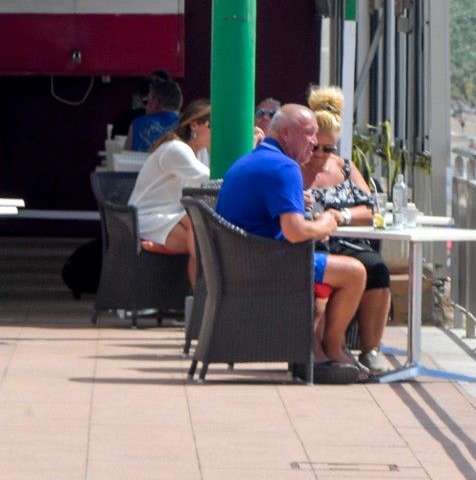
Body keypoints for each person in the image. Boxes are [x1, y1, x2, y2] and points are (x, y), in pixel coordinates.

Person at [216, 104, 369, 383]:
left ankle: (311, 350)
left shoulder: (251, 160)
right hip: (270, 266)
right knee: (354, 272)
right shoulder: (285, 167)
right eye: (309, 134)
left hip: (239, 263)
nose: (315, 141)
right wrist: (325, 224)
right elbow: (295, 231)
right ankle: (333, 349)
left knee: (325, 272)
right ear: (286, 134)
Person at [302, 85, 392, 377]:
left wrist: (340, 215)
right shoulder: (293, 167)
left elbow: (371, 209)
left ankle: (370, 350)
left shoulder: (344, 168)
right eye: (315, 146)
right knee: (330, 274)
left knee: (377, 267)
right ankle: (330, 344)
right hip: (313, 240)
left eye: (327, 148)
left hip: (347, 240)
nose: (319, 154)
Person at [127, 100, 211, 286]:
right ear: (194, 124)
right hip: (146, 217)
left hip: (171, 214)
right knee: (204, 245)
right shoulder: (177, 149)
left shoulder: (200, 152)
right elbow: (210, 179)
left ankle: (200, 304)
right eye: (211, 125)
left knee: (200, 231)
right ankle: (204, 302)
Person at [126, 75, 182, 152]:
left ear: (155, 103)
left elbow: (125, 158)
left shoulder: (137, 124)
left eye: (147, 101)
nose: (145, 106)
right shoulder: (188, 126)